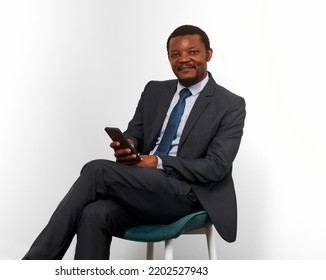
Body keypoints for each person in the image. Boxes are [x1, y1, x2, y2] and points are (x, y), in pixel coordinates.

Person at [23, 25, 246, 260]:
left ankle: (35, 263)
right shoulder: (154, 90)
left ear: (208, 54)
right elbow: (135, 133)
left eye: (193, 52)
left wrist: (159, 162)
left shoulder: (230, 104)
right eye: (175, 54)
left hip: (187, 194)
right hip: (144, 187)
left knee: (96, 170)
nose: (183, 60)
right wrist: (127, 146)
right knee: (94, 212)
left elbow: (216, 167)